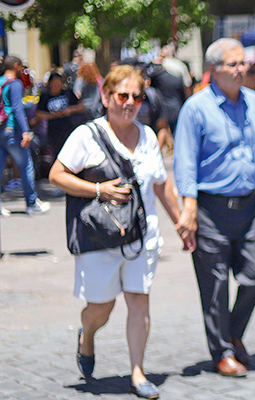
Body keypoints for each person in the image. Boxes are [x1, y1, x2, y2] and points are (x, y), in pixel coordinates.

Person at [48, 65, 190, 399]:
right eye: (122, 95)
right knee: (102, 307)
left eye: (136, 96)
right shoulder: (87, 135)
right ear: (107, 96)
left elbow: (160, 184)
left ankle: (137, 373)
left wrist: (181, 222)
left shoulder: (149, 136)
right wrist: (99, 190)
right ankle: (87, 335)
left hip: (142, 236)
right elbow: (56, 174)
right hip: (100, 238)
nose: (129, 102)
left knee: (140, 303)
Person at [173, 38, 255, 378]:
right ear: (214, 70)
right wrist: (188, 207)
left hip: (249, 206)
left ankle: (232, 332)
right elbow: (185, 162)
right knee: (216, 285)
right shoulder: (195, 108)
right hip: (210, 209)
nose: (241, 70)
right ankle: (222, 350)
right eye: (233, 65)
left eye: (244, 64)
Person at [0, 55, 51, 216]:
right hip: (12, 130)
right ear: (16, 66)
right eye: (21, 67)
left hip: (0, 130)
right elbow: (17, 108)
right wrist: (25, 131)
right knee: (26, 165)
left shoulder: (0, 82)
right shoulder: (14, 83)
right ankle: (31, 202)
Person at [36, 72, 86, 164]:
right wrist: (53, 115)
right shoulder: (45, 96)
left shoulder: (68, 93)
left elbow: (81, 107)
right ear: (50, 84)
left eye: (59, 84)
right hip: (54, 131)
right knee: (58, 154)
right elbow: (39, 114)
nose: (56, 86)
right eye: (54, 84)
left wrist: (70, 110)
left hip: (69, 128)